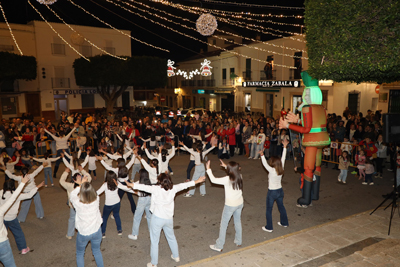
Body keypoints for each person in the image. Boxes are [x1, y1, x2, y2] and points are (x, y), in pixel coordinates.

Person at [125, 173, 206, 267]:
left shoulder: (156, 189)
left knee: (154, 241)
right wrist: (197, 181)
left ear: (160, 182)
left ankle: (153, 263)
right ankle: (176, 256)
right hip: (169, 219)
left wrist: (132, 185)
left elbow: (145, 187)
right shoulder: (173, 188)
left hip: (157, 218)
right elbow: (185, 185)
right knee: (171, 237)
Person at [206, 159, 243, 252]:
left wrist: (208, 169)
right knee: (237, 221)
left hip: (230, 205)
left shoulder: (227, 179)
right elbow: (234, 171)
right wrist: (226, 166)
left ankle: (219, 245)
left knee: (223, 225)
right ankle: (239, 241)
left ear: (230, 170)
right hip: (240, 203)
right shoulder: (240, 176)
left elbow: (213, 180)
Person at [0, 177, 44, 254]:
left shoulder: (0, 193)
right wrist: (37, 186)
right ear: (13, 186)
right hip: (12, 219)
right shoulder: (17, 195)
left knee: (1, 234)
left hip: (2, 218)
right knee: (18, 233)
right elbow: (29, 195)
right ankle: (23, 248)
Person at [69, 175, 104, 267]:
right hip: (97, 231)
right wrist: (85, 183)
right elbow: (93, 192)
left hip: (84, 233)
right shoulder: (96, 199)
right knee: (97, 251)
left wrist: (81, 185)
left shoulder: (77, 203)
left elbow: (72, 195)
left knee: (80, 254)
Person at [0, 172, 31, 267]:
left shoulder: (1, 193)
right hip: (2, 243)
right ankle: (23, 248)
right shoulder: (1, 211)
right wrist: (22, 183)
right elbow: (13, 198)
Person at [260, 138, 289, 232]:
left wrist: (262, 155)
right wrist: (284, 147)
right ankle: (284, 222)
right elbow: (283, 158)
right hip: (280, 191)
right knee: (281, 207)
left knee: (269, 209)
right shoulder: (281, 168)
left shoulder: (272, 170)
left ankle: (269, 227)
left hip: (272, 192)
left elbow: (264, 164)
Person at [59, 166, 92, 240]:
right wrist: (82, 170)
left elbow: (61, 181)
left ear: (74, 180)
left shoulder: (70, 186)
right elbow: (89, 177)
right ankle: (85, 232)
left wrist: (66, 172)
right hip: (83, 206)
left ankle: (70, 234)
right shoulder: (85, 184)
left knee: (72, 219)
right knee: (83, 218)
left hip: (73, 206)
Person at [128, 169, 152, 241]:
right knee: (149, 216)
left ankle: (134, 234)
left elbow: (131, 186)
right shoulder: (149, 182)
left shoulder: (139, 182)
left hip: (142, 200)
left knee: (137, 217)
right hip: (149, 199)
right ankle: (152, 233)